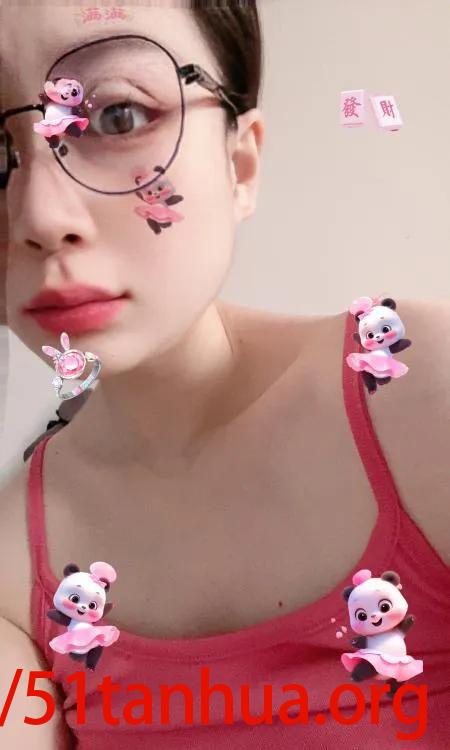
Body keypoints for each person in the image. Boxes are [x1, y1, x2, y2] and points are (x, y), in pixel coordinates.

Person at [0, 2, 449, 748]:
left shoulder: (422, 391)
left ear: (240, 164)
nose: (40, 218)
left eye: (116, 115)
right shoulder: (13, 565)